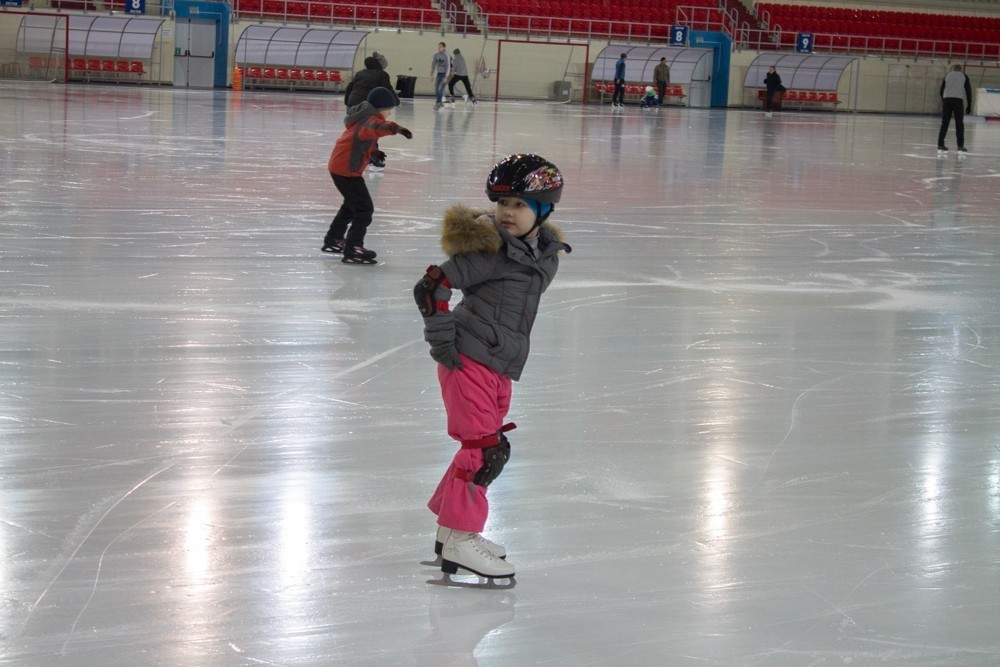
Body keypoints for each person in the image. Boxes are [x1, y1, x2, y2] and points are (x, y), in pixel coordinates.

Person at [414, 154, 571, 581]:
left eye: (519, 204)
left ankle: (450, 535)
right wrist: (442, 341)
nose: (506, 213)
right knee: (484, 451)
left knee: (481, 446)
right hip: (468, 359)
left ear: (544, 208)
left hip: (499, 363)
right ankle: (463, 540)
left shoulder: (544, 255)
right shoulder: (490, 251)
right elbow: (431, 287)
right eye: (501, 203)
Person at [323, 87, 412, 264]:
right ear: (380, 107)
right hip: (346, 170)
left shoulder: (363, 118)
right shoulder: (369, 121)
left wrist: (373, 153)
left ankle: (333, 239)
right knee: (364, 209)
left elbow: (362, 140)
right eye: (389, 109)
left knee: (351, 206)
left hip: (341, 166)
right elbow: (377, 127)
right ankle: (353, 248)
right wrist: (397, 128)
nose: (389, 113)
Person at [343, 52, 397, 171]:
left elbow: (350, 88)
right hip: (367, 107)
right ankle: (374, 161)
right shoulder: (382, 75)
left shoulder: (360, 73)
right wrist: (396, 101)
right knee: (372, 132)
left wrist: (348, 103)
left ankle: (353, 159)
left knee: (356, 133)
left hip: (353, 105)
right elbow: (387, 89)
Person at [937, 64, 973, 154]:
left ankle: (940, 144)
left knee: (944, 123)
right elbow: (968, 91)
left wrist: (944, 100)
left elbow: (941, 90)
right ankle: (960, 146)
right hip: (958, 101)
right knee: (959, 124)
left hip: (947, 100)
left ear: (953, 69)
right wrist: (969, 105)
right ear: (961, 70)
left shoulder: (947, 76)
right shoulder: (964, 76)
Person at [430, 42, 451, 110]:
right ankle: (441, 102)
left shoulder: (446, 55)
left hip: (445, 74)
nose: (439, 48)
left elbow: (448, 66)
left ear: (444, 47)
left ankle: (438, 103)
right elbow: (433, 64)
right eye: (438, 46)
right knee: (436, 89)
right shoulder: (436, 55)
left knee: (440, 89)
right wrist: (431, 74)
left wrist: (446, 77)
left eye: (440, 47)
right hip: (439, 74)